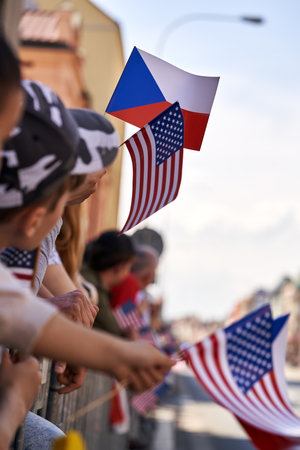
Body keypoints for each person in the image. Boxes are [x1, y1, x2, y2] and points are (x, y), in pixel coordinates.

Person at [82, 230, 137, 336]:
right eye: (128, 268)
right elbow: (114, 332)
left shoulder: (85, 273)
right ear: (119, 267)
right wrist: (126, 337)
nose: (127, 274)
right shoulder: (94, 288)